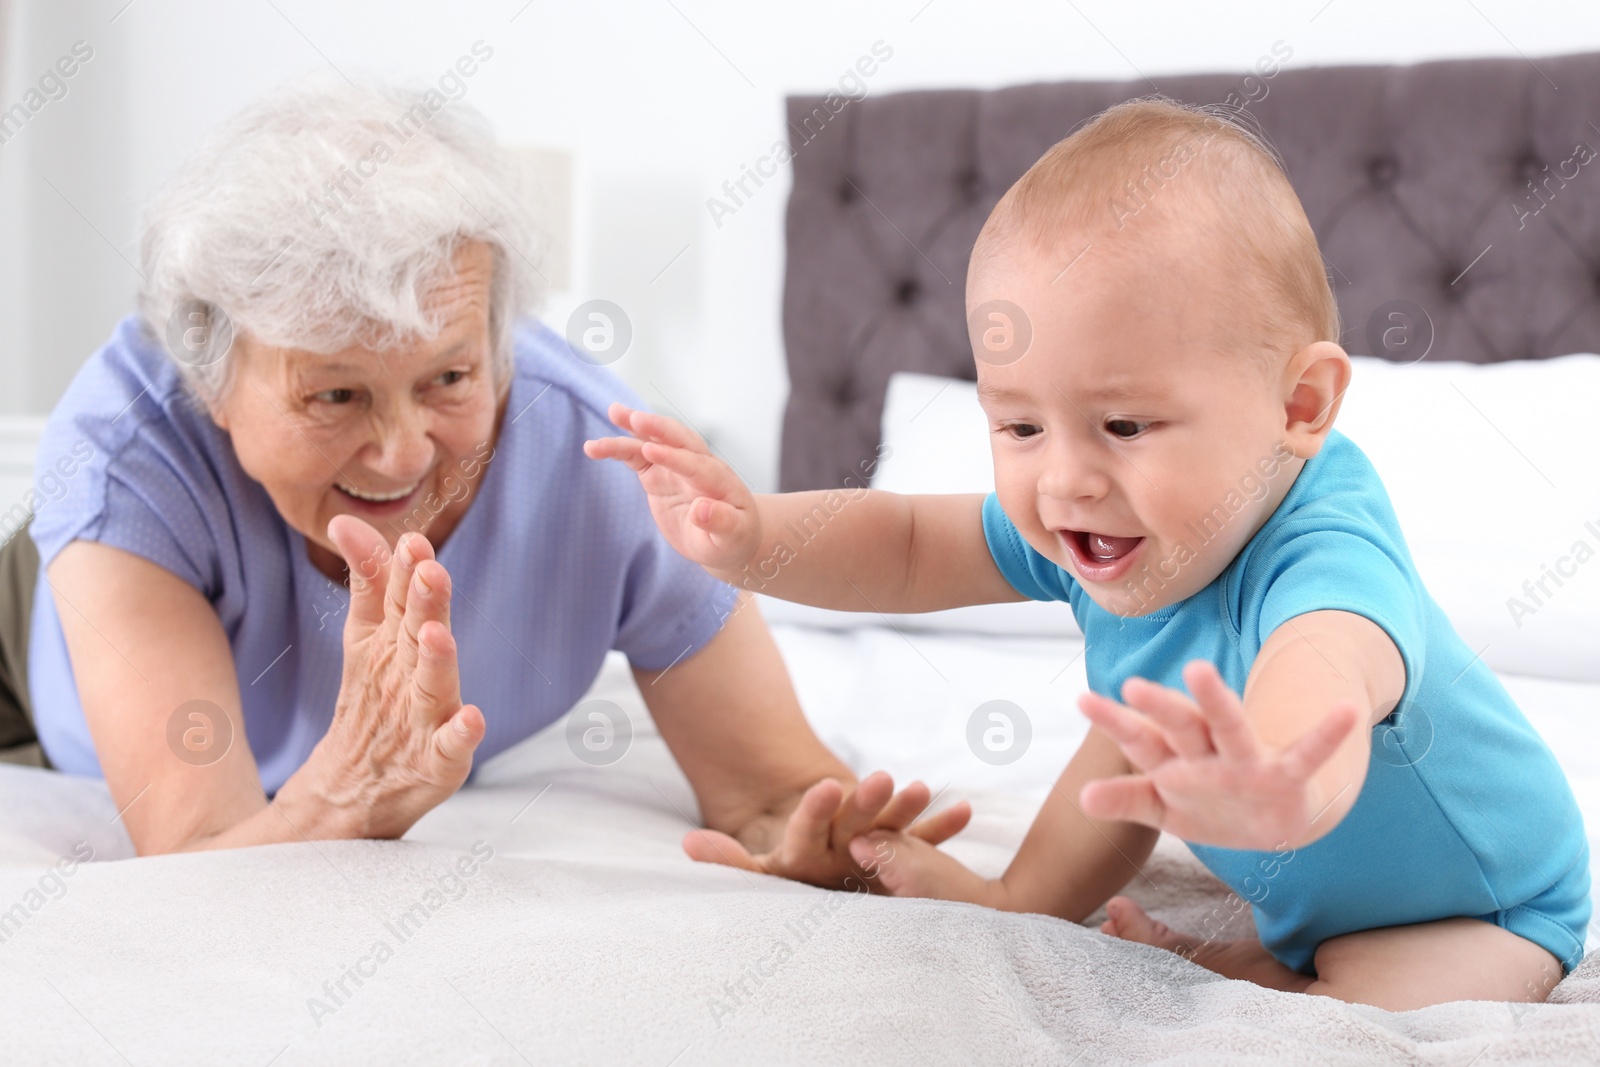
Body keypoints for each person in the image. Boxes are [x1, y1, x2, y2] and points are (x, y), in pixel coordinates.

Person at [587, 98, 1591, 1011]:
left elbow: (1324, 675)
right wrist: (755, 535)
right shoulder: (1099, 536)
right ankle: (1025, 896)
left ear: (1298, 406)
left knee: (1368, 1005)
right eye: (1018, 426)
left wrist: (1278, 775)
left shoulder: (1328, 550)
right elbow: (900, 545)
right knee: (1133, 717)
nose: (1063, 478)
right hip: (1287, 861)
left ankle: (1279, 974)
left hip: (1485, 902)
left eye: (1121, 423)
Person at [4, 76, 969, 877]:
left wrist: (825, 843)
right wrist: (344, 800)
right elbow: (198, 857)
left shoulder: (603, 465)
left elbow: (769, 788)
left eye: (450, 378)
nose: (403, 452)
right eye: (336, 396)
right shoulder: (124, 455)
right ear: (211, 379)